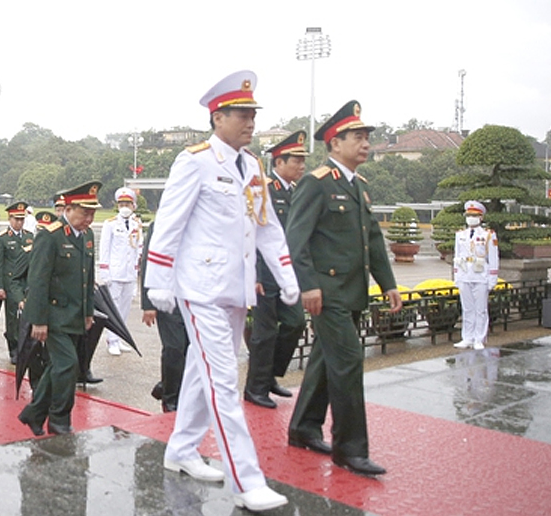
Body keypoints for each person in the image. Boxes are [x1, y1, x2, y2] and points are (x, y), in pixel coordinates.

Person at [144, 71, 298, 512]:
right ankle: (247, 481)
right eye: (242, 114)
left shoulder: (251, 166)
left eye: (253, 114)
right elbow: (169, 223)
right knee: (223, 381)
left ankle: (181, 449)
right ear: (218, 117)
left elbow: (267, 228)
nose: (250, 122)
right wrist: (158, 279)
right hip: (201, 289)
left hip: (235, 290)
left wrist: (288, 278)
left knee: (201, 370)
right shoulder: (194, 161)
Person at [286, 100, 402, 477]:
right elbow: (296, 239)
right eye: (357, 136)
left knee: (324, 361)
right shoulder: (316, 183)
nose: (365, 143)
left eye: (367, 136)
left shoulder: (359, 187)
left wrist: (389, 285)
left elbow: (373, 241)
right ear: (335, 143)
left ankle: (304, 428)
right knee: (349, 363)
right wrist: (309, 286)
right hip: (328, 293)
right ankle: (350, 449)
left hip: (352, 293)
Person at [17, 181, 102, 437]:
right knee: (67, 365)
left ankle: (33, 412)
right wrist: (38, 320)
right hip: (53, 316)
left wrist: (89, 311)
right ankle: (59, 418)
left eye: (92, 213)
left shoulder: (86, 235)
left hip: (75, 314)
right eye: (85, 212)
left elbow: (88, 277)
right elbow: (38, 280)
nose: (89, 218)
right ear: (69, 208)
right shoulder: (50, 235)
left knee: (59, 367)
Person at [244, 130, 308, 409]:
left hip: (286, 275)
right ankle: (255, 388)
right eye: (296, 160)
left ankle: (270, 375)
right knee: (264, 333)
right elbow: (255, 233)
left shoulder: (296, 192)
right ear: (279, 162)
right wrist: (254, 275)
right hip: (265, 276)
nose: (301, 166)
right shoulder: (264, 189)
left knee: (296, 323)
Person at [139, 220, 187, 412]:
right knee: (174, 348)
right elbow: (149, 262)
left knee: (191, 349)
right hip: (168, 296)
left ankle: (171, 387)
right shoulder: (161, 223)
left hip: (194, 296)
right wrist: (149, 303)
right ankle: (170, 398)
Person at [98, 187, 143, 356]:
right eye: (122, 203)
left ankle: (119, 336)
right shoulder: (110, 224)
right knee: (113, 308)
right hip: (115, 272)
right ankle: (112, 340)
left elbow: (139, 247)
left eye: (128, 203)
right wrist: (105, 272)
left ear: (133, 206)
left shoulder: (136, 224)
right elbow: (104, 248)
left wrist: (136, 270)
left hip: (130, 273)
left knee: (125, 308)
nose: (125, 206)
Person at [453, 200, 499, 350]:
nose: (470, 218)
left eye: (474, 215)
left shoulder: (488, 235)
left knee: (480, 309)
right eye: (468, 215)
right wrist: (457, 277)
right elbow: (457, 256)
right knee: (467, 309)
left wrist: (492, 279)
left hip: (481, 276)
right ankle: (467, 337)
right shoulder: (460, 235)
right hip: (465, 275)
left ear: (481, 218)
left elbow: (493, 258)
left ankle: (479, 337)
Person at [0, 201, 34, 362]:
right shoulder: (2, 239)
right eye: (16, 219)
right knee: (12, 318)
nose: (19, 223)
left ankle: (25, 346)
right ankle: (14, 347)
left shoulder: (29, 237)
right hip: (10, 284)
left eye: (21, 219)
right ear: (9, 219)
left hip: (26, 283)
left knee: (26, 316)